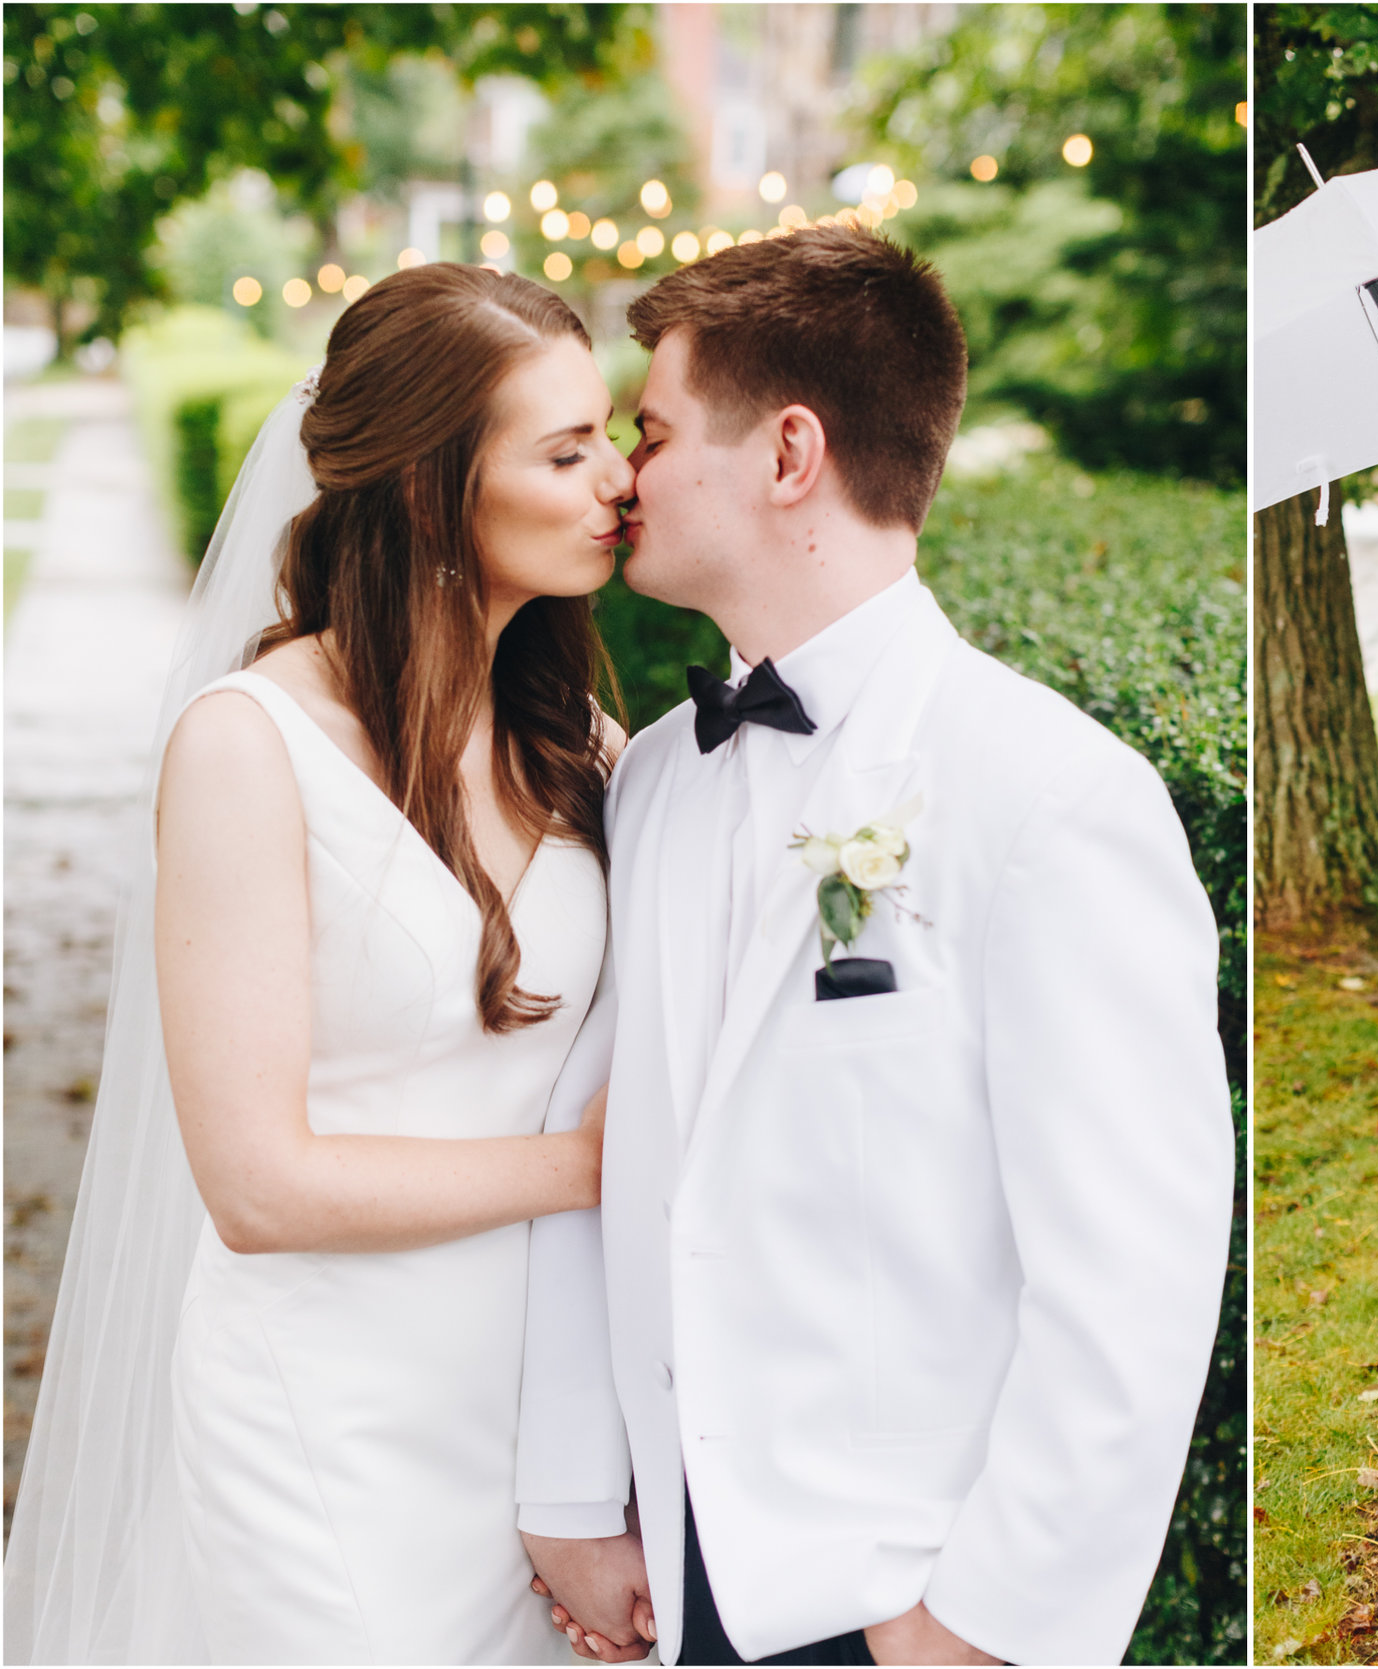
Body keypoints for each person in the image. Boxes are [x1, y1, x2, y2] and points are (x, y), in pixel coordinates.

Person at [511, 225, 1236, 1668]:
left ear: (789, 455)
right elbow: (621, 1151)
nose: (625, 476)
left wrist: (974, 1625)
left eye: (651, 432)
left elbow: (1133, 1273)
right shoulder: (652, 777)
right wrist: (578, 1491)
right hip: (685, 1575)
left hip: (908, 1594)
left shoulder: (1052, 796)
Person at [3, 264, 635, 1662]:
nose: (618, 481)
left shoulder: (578, 740)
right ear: (426, 491)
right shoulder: (248, 747)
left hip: (537, 1424)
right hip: (332, 1425)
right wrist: (587, 1167)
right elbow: (254, 1182)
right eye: (566, 448)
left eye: (613, 433)